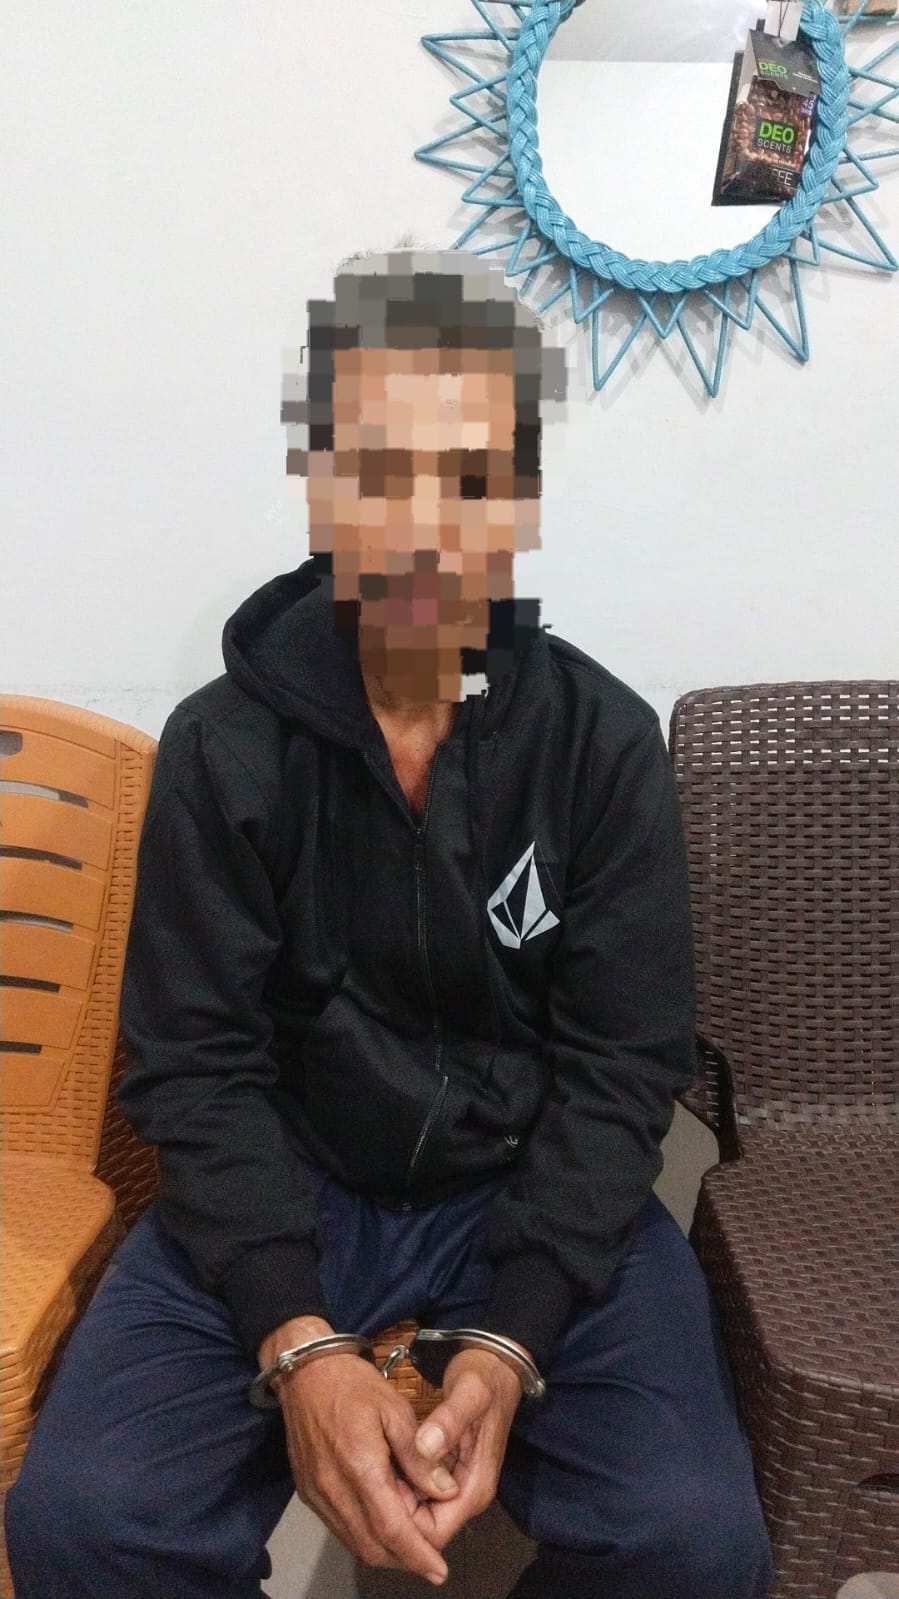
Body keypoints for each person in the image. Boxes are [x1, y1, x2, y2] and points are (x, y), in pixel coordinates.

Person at [4, 248, 775, 1599]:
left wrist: (511, 1341)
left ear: (522, 502)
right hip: (288, 1181)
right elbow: (194, 1063)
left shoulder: (599, 746)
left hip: (521, 1185)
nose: (425, 528)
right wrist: (297, 1339)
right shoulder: (223, 750)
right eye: (380, 474)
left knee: (691, 1540)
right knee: (85, 1516)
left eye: (471, 481)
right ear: (319, 488)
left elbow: (622, 1066)